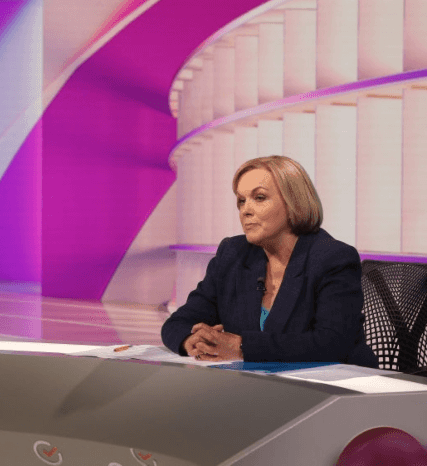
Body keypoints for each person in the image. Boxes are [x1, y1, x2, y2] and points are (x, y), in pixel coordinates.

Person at [161, 155, 377, 367]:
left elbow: (332, 343)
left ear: (293, 202)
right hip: (259, 388)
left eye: (260, 198)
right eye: (241, 200)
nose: (246, 210)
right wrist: (193, 342)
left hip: (336, 389)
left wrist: (242, 347)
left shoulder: (333, 258)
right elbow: (178, 323)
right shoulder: (232, 254)